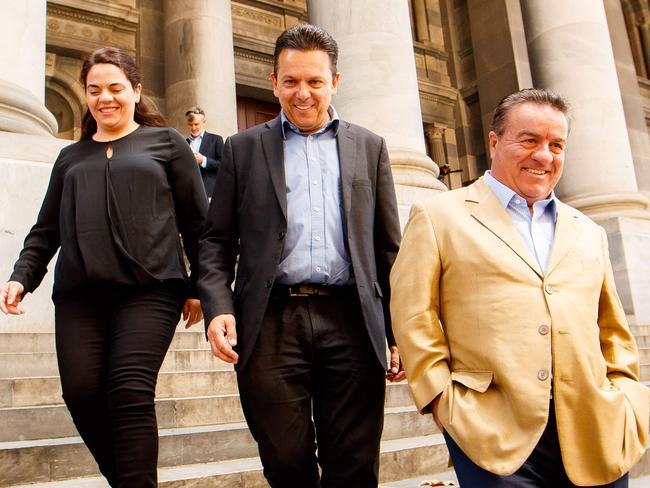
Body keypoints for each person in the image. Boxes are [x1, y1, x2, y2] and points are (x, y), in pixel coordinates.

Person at [390, 88, 649, 487]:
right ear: (494, 142)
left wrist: (628, 395)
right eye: (529, 140)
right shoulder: (438, 215)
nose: (544, 155)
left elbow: (611, 327)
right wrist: (441, 400)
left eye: (556, 144)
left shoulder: (588, 230)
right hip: (491, 430)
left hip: (597, 423)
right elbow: (413, 315)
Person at [197, 23, 404, 488]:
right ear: (274, 82)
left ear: (335, 82)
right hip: (269, 322)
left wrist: (398, 329)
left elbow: (388, 246)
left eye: (315, 81)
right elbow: (216, 241)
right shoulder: (243, 148)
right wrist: (218, 308)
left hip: (352, 318)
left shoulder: (369, 147)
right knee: (285, 460)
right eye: (291, 81)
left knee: (353, 465)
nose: (303, 93)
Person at [0, 47, 208, 487]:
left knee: (130, 392)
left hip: (150, 291)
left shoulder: (167, 143)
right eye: (94, 90)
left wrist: (200, 287)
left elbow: (198, 225)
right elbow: (46, 230)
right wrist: (22, 277)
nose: (104, 98)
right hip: (80, 296)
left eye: (115, 88)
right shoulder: (70, 157)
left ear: (135, 91)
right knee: (80, 393)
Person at [185, 106, 223, 198]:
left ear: (203, 122)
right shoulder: (184, 143)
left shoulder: (216, 139)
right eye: (190, 124)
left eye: (196, 124)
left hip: (209, 192)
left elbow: (224, 165)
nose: (193, 128)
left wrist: (203, 160)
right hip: (189, 192)